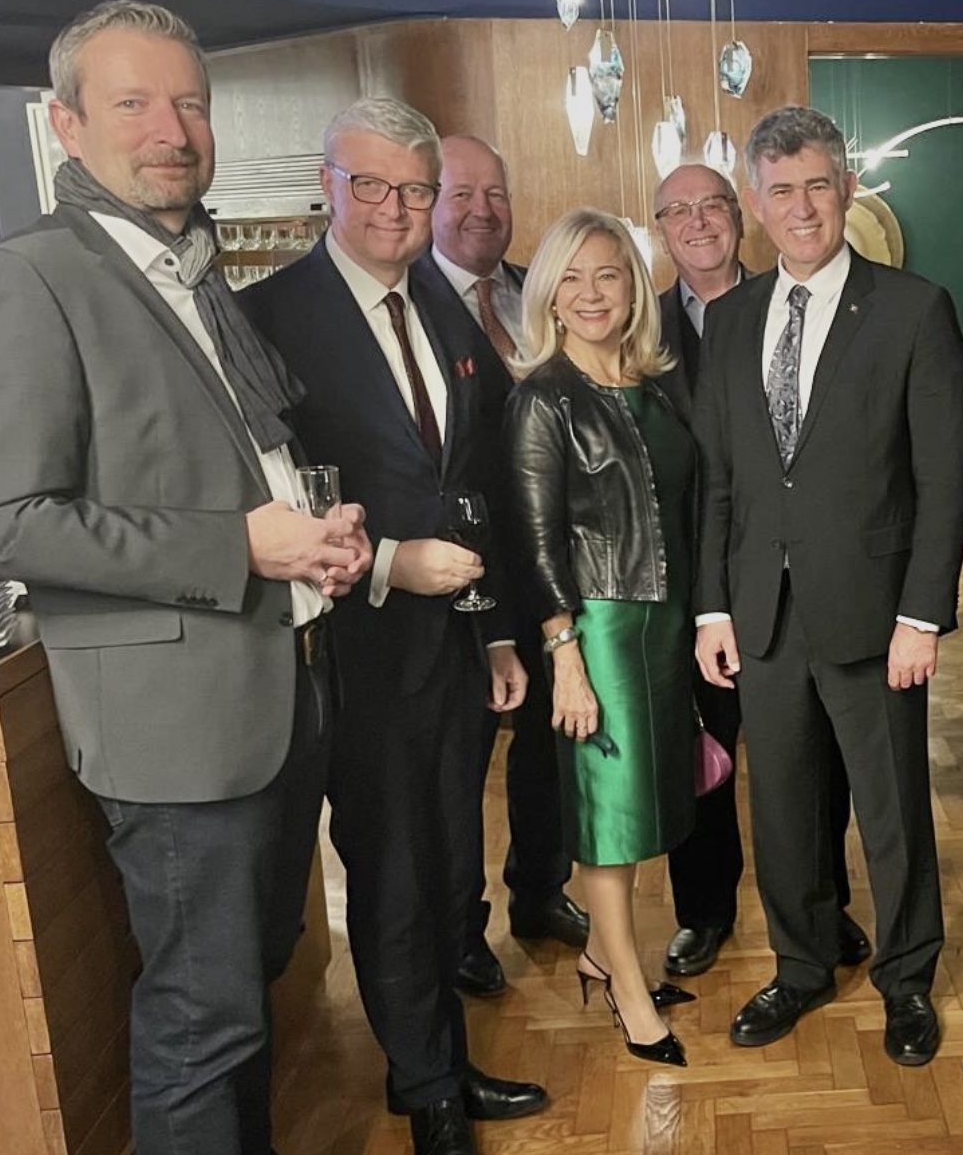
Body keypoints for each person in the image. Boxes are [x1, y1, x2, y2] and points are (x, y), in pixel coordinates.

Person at [0, 0, 371, 1155]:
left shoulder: (196, 273)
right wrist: (241, 545)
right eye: (133, 102)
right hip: (175, 734)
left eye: (190, 102)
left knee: (247, 994)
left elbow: (231, 464)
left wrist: (310, 531)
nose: (171, 130)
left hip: (277, 695)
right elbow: (5, 523)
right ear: (66, 125)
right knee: (201, 1023)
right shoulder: (24, 278)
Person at [241, 98, 543, 1155]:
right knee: (394, 871)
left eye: (415, 189)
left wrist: (496, 631)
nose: (395, 208)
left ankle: (444, 1058)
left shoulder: (445, 310)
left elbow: (477, 487)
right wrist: (385, 568)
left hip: (455, 651)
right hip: (350, 652)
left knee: (450, 862)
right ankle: (428, 1092)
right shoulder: (268, 319)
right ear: (326, 186)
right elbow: (268, 504)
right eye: (370, 184)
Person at [693, 105, 963, 1067]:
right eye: (782, 190)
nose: (803, 207)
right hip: (761, 614)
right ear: (758, 204)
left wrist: (922, 615)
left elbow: (945, 476)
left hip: (876, 614)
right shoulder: (730, 319)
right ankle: (803, 963)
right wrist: (713, 607)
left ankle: (908, 978)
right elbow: (721, 480)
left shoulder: (913, 309)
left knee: (892, 809)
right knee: (781, 809)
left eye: (818, 184)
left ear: (847, 187)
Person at [648, 162, 868, 979]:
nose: (698, 222)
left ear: (740, 215)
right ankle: (704, 911)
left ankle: (822, 903)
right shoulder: (638, 327)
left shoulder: (793, 304)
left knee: (818, 756)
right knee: (701, 753)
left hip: (799, 579)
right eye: (678, 211)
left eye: (712, 204)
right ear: (660, 230)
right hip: (690, 584)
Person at [504, 207, 702, 1067]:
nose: (591, 295)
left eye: (608, 275)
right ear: (549, 296)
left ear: (633, 290)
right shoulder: (542, 398)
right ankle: (626, 984)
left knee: (646, 804)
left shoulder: (654, 389)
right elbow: (534, 540)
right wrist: (566, 657)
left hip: (664, 622)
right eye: (572, 279)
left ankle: (600, 953)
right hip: (598, 628)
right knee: (608, 817)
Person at [421, 134, 591, 1001]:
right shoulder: (410, 302)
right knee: (461, 761)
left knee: (547, 750)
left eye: (496, 194)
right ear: (430, 201)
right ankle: (460, 927)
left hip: (545, 569)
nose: (482, 211)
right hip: (454, 577)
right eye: (461, 194)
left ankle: (539, 890)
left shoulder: (537, 293)